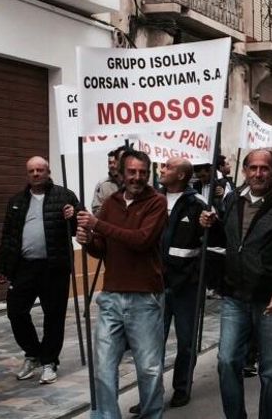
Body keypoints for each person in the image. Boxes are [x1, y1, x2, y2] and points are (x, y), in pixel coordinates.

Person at [200, 149, 272, 419]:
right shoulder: (234, 199)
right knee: (226, 362)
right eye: (253, 168)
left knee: (271, 369)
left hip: (270, 299)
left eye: (264, 168)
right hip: (234, 295)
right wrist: (210, 225)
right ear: (245, 170)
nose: (258, 173)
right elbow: (228, 241)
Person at [76, 150, 168, 419]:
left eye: (142, 172)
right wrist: (87, 240)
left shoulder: (157, 202)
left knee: (149, 368)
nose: (137, 177)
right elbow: (102, 249)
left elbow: (142, 240)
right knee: (103, 367)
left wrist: (98, 226)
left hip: (145, 297)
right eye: (132, 172)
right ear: (122, 173)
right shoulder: (111, 202)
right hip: (112, 296)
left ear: (148, 173)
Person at [0, 156, 79, 385]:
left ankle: (50, 362)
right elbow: (8, 236)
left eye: (40, 170)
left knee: (54, 316)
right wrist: (2, 266)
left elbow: (79, 229)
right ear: (27, 174)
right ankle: (33, 353)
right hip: (24, 266)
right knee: (16, 311)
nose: (35, 174)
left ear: (48, 171)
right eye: (31, 171)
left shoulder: (65, 196)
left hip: (55, 267)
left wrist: (73, 217)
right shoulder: (17, 201)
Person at [159, 157, 209, 408]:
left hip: (186, 286)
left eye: (167, 167)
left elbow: (211, 242)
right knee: (151, 343)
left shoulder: (197, 204)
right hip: (155, 285)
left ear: (180, 175)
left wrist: (197, 275)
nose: (161, 170)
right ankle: (150, 392)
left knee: (186, 340)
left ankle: (182, 387)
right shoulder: (152, 201)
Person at [91, 147, 124, 216]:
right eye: (110, 163)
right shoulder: (102, 184)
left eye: (114, 162)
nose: (112, 165)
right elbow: (96, 211)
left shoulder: (130, 183)